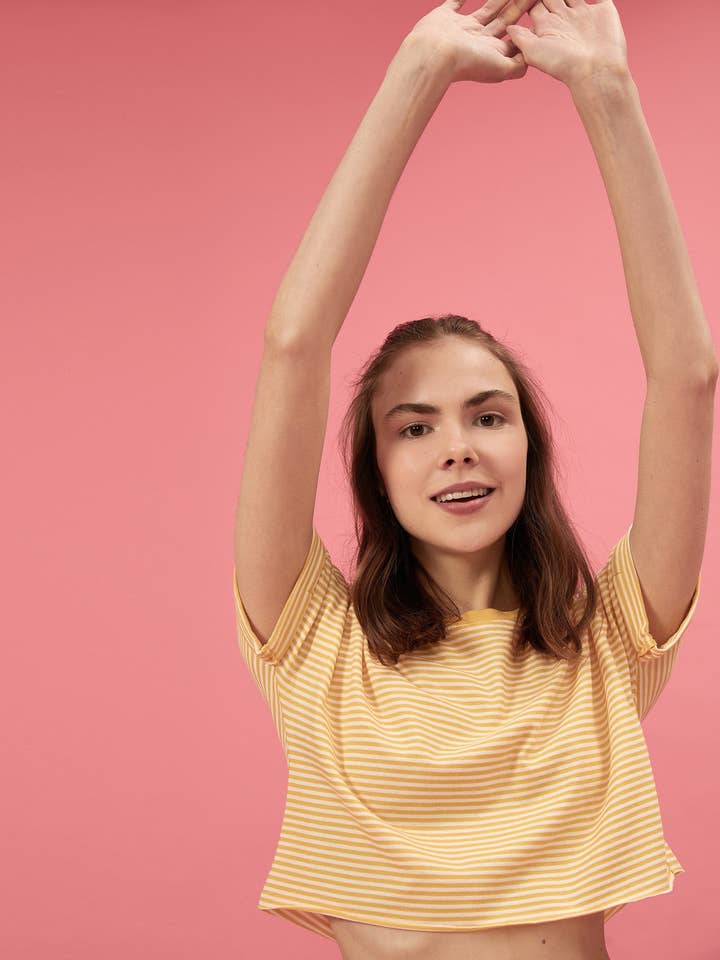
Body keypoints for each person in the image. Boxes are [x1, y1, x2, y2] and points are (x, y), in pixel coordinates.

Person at [233, 1, 717, 957]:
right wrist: (416, 74)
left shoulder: (607, 642)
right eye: (413, 428)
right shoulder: (312, 642)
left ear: (527, 447)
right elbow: (294, 345)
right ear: (375, 470)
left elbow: (688, 376)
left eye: (488, 416)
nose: (457, 447)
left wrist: (607, 89)